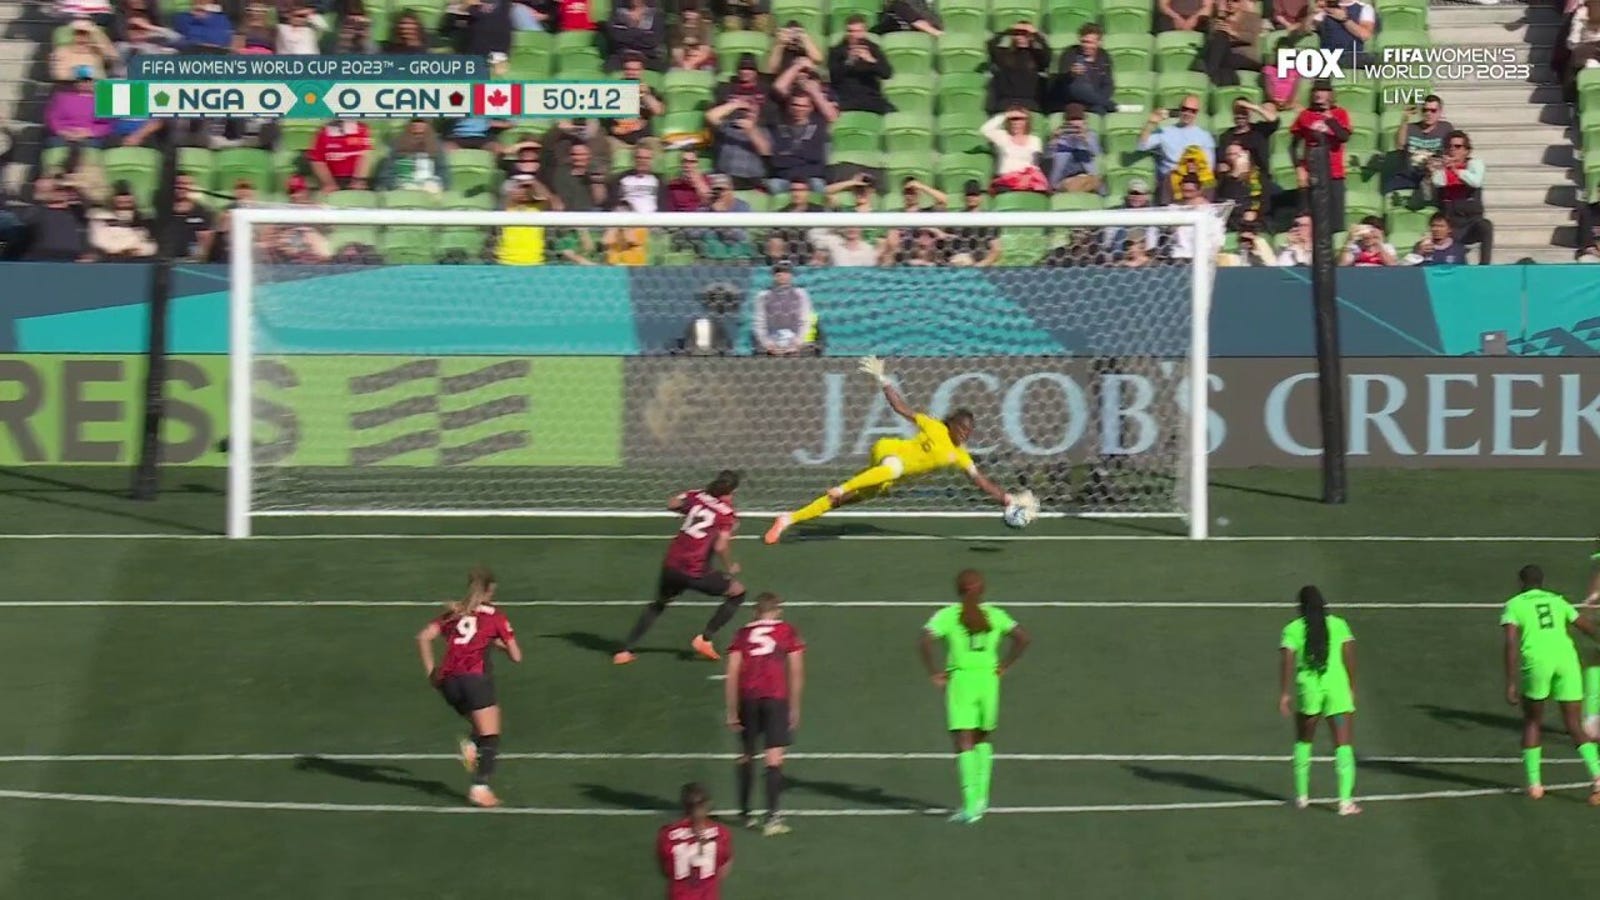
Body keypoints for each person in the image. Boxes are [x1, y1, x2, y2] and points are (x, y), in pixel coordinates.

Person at [765, 357, 1018, 543]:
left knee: (839, 502)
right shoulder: (933, 425)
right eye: (961, 427)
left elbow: (981, 482)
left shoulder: (960, 455)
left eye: (969, 431)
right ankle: (843, 486)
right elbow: (900, 407)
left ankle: (787, 520)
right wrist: (883, 379)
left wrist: (1006, 499)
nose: (965, 433)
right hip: (888, 450)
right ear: (950, 423)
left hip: (887, 478)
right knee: (891, 469)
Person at [919, 569, 1031, 823]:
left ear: (958, 590)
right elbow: (1023, 638)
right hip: (988, 680)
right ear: (983, 590)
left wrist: (934, 673)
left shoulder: (948, 615)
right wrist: (1005, 665)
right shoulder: (995, 614)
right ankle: (982, 798)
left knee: (963, 739)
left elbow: (924, 641)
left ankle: (970, 806)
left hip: (962, 680)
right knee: (982, 736)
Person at [415, 566, 523, 808]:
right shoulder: (496, 616)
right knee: (491, 736)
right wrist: (500, 644)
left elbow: (423, 637)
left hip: (448, 682)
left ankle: (472, 744)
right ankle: (480, 787)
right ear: (489, 591)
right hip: (475, 679)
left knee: (488, 720)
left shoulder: (454, 613)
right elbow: (517, 656)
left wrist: (431, 671)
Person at [615, 470, 748, 664]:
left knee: (658, 604)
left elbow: (672, 503)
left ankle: (624, 651)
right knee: (738, 593)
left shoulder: (695, 495)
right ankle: (705, 639)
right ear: (731, 491)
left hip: (671, 564)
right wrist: (730, 565)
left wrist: (688, 508)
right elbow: (720, 546)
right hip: (694, 570)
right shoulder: (726, 513)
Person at [1501, 564, 1600, 802]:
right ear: (1542, 582)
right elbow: (1585, 627)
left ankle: (1535, 784)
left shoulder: (1514, 604)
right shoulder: (1557, 600)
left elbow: (1511, 644)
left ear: (1521, 582)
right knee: (1574, 724)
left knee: (1533, 721)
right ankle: (1598, 777)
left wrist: (1511, 682)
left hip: (1538, 663)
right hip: (1567, 660)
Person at [724, 592, 805, 835]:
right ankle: (772, 818)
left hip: (748, 697)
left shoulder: (742, 633)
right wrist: (795, 706)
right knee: (774, 758)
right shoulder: (787, 630)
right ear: (778, 611)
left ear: (755, 612)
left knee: (747, 755)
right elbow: (797, 670)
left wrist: (730, 710)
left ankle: (745, 812)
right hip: (775, 696)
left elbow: (732, 672)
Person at [1278, 585, 1359, 815]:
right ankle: (1345, 802)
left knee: (1304, 741)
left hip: (1309, 690)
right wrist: (1352, 686)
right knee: (1343, 743)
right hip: (1337, 691)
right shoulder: (1339, 624)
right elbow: (1350, 656)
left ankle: (1301, 796)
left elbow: (1287, 660)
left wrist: (1285, 693)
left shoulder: (1292, 629)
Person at [657, 783, 733, 900]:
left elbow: (665, 870)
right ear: (708, 804)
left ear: (683, 805)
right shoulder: (721, 833)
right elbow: (723, 869)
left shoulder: (667, 834)